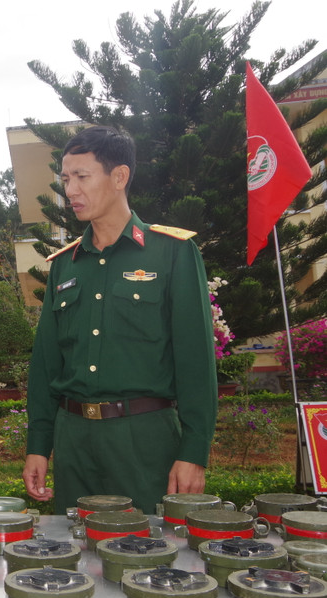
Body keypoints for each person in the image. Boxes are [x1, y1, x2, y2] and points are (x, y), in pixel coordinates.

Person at [21, 125, 217, 515]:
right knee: (74, 562)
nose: (70, 190)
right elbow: (46, 364)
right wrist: (39, 445)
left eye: (81, 177)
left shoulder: (172, 254)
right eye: (64, 179)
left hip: (144, 440)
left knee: (152, 560)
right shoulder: (65, 265)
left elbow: (195, 360)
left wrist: (194, 452)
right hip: (74, 440)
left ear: (119, 177)